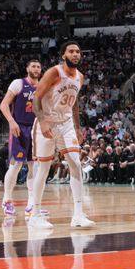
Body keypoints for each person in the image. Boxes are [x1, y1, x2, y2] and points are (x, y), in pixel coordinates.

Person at [29, 41, 95, 229]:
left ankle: (78, 215)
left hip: (66, 124)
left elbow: (74, 103)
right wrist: (42, 122)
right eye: (71, 51)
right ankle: (35, 214)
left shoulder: (80, 77)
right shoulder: (54, 72)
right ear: (63, 55)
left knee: (75, 163)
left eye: (78, 51)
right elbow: (36, 99)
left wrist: (77, 126)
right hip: (47, 123)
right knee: (43, 168)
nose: (75, 54)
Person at [0, 59, 48, 220]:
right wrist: (11, 122)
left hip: (35, 128)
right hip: (19, 127)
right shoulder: (18, 83)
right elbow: (4, 104)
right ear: (27, 68)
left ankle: (32, 204)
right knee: (16, 165)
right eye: (33, 66)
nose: (36, 68)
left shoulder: (43, 86)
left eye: (38, 66)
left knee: (34, 167)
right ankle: (7, 200)